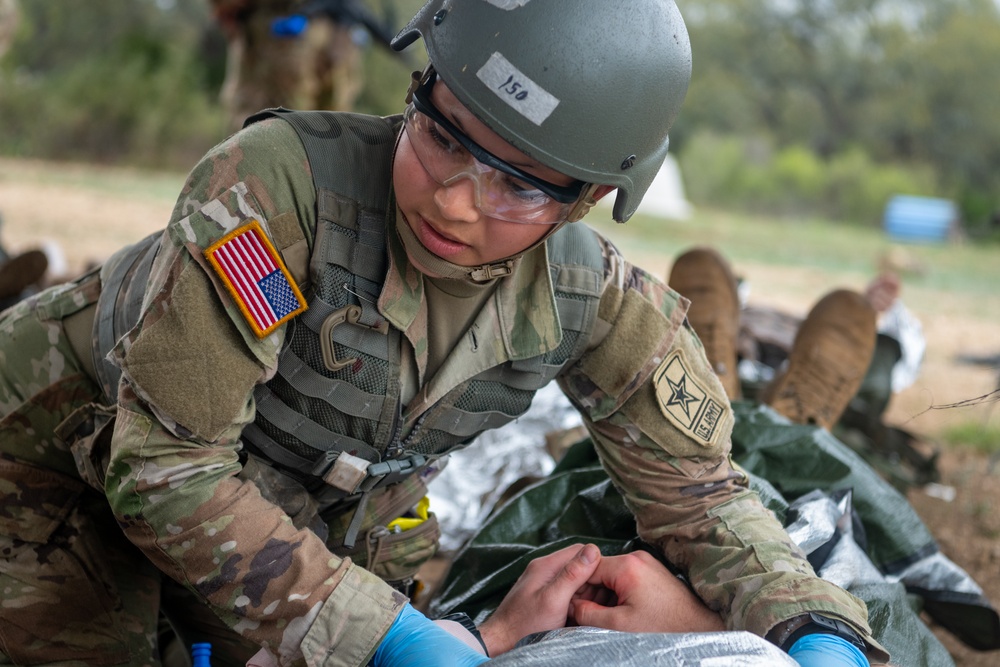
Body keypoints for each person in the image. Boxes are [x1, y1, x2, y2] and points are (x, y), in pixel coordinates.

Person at [0, 1, 887, 666]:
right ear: (422, 84)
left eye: (520, 184)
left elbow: (703, 500)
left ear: (589, 200)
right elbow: (163, 469)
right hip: (52, 458)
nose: (456, 198)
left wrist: (813, 628)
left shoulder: (594, 297)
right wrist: (392, 636)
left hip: (260, 502)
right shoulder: (279, 191)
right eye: (446, 133)